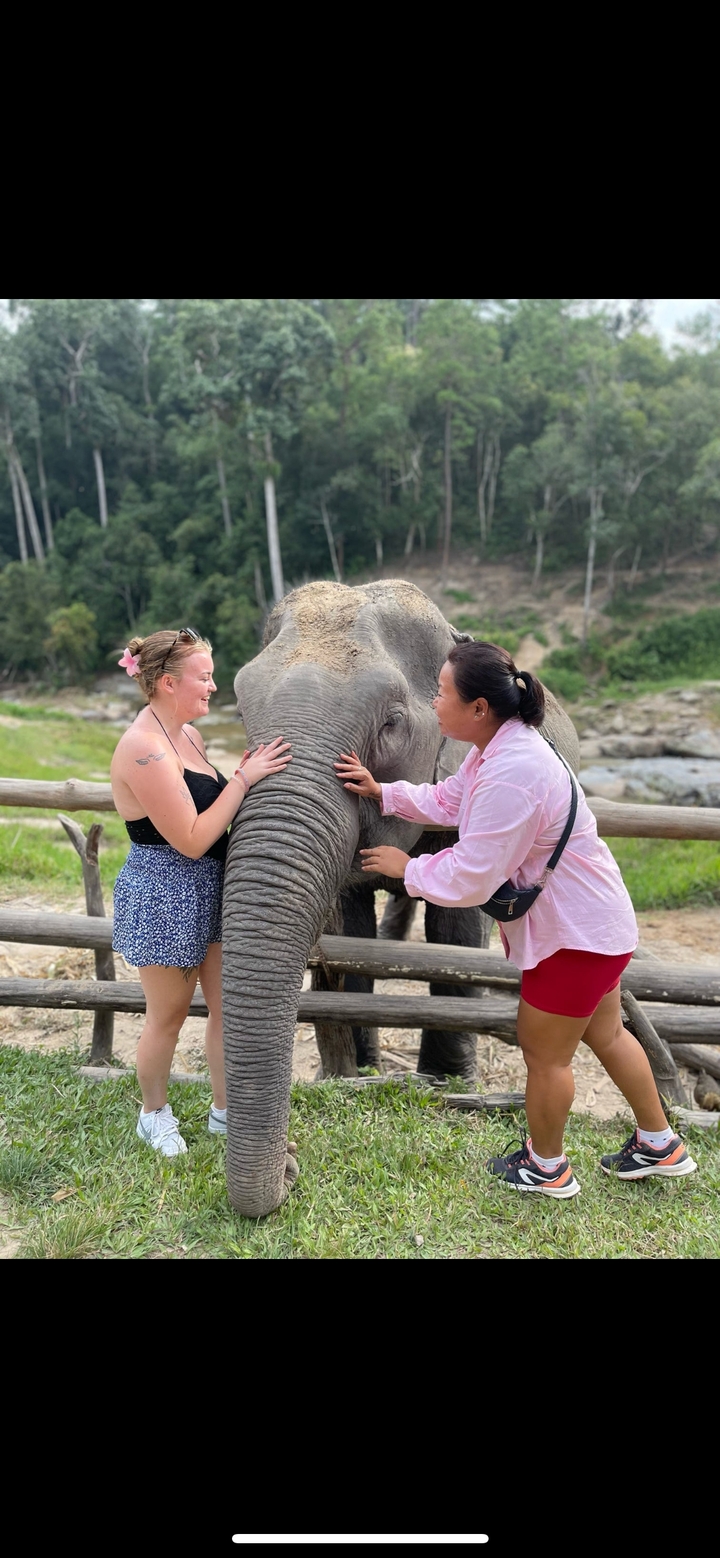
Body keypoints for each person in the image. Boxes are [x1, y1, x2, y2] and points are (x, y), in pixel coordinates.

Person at [334, 642, 697, 1199]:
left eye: (441, 692)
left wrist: (408, 868)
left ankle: (547, 1167)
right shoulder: (498, 748)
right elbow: (453, 800)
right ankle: (660, 1145)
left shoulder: (514, 771)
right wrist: (387, 792)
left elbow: (474, 874)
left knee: (544, 1052)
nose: (433, 702)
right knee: (606, 1032)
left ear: (478, 707)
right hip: (595, 926)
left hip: (573, 937)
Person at [110, 627, 291, 1157]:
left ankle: (225, 1110)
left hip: (211, 889)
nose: (213, 688)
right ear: (168, 682)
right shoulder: (144, 750)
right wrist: (243, 779)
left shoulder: (187, 735)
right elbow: (190, 839)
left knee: (224, 1007)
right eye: (204, 678)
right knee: (167, 1015)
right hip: (166, 892)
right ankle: (154, 1115)